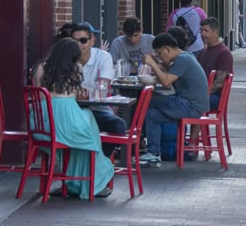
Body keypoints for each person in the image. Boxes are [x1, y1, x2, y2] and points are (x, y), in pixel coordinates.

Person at [38, 38, 114, 199]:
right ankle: (88, 184)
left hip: (41, 123)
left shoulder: (40, 68)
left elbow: (41, 93)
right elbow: (76, 93)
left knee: (85, 130)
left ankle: (71, 182)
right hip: (66, 118)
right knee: (89, 136)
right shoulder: (76, 69)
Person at [139, 33, 209, 167]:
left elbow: (166, 82)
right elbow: (168, 76)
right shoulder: (186, 56)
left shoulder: (182, 59)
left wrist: (153, 64)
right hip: (190, 105)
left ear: (167, 49)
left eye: (160, 53)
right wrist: (159, 63)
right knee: (152, 115)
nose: (160, 56)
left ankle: (139, 135)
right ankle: (154, 154)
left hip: (190, 106)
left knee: (150, 99)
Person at [70, 22, 126, 154]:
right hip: (72, 110)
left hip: (97, 109)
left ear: (92, 41)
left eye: (83, 40)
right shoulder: (66, 58)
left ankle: (100, 159)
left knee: (118, 126)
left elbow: (103, 88)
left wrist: (83, 92)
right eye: (74, 41)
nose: (78, 44)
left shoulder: (103, 57)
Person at [196, 18, 234, 111]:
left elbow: (219, 83)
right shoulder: (202, 52)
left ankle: (197, 125)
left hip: (214, 97)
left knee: (188, 102)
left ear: (215, 32)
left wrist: (198, 94)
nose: (202, 34)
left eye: (206, 31)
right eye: (201, 30)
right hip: (202, 93)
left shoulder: (224, 53)